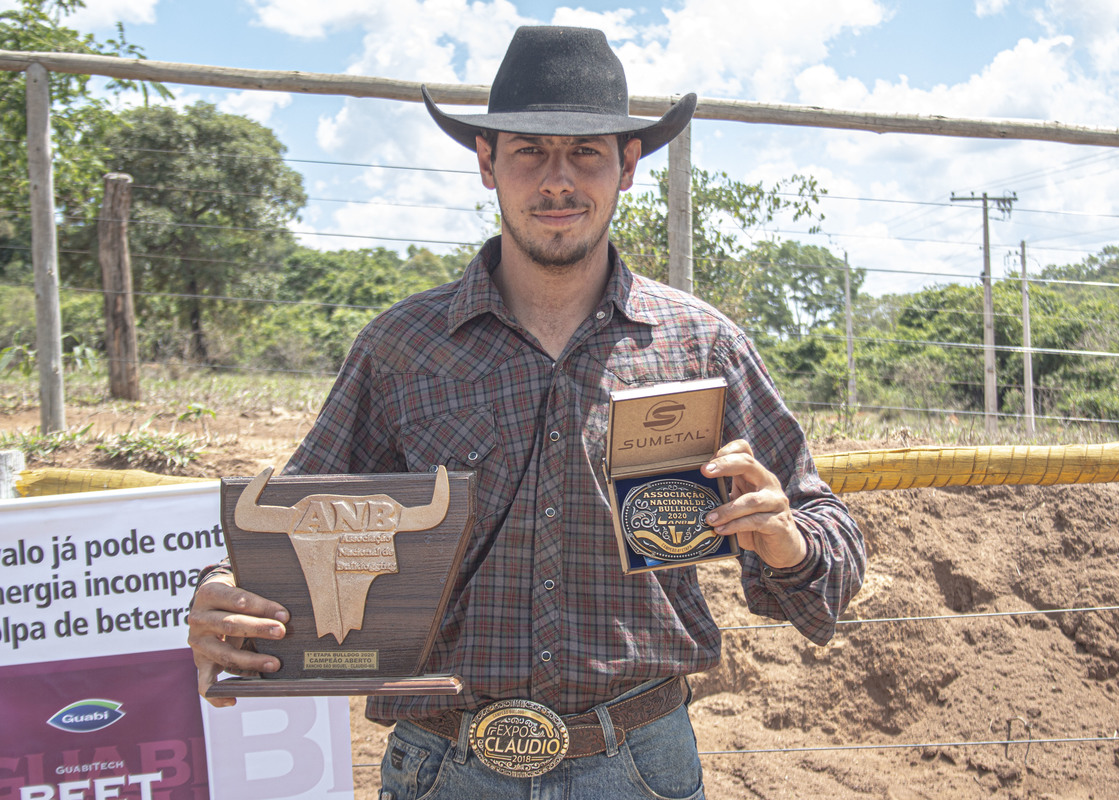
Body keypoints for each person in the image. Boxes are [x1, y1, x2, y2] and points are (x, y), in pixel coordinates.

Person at [187, 25, 865, 799]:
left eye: (584, 154)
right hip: (445, 768)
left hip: (639, 766)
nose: (557, 180)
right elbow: (292, 518)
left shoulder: (703, 346)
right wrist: (223, 591)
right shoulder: (401, 349)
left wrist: (783, 540)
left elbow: (829, 547)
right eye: (529, 152)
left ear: (628, 167)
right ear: (486, 163)